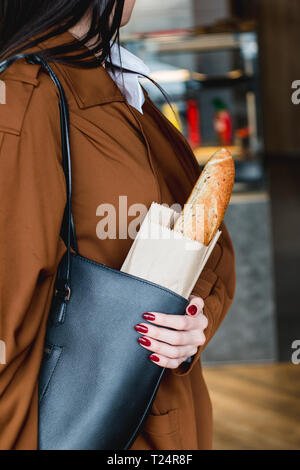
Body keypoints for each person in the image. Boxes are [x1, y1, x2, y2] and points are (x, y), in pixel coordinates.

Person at [0, 0, 236, 450]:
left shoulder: (128, 89)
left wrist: (190, 316)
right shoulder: (24, 95)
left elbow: (210, 243)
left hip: (164, 418)